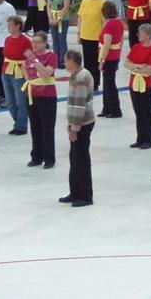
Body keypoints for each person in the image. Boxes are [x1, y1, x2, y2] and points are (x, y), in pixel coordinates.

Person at [61, 50, 96, 207]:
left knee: (81, 160)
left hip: (82, 124)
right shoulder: (77, 75)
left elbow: (79, 105)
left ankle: (85, 195)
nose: (64, 64)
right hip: (77, 123)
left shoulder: (80, 78)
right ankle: (75, 192)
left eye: (66, 61)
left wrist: (74, 128)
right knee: (74, 159)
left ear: (72, 61)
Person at [23, 32, 59, 169]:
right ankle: (36, 156)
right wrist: (29, 80)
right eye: (33, 42)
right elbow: (24, 67)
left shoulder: (51, 56)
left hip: (47, 96)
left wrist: (35, 60)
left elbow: (45, 73)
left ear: (45, 43)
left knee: (47, 128)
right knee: (35, 127)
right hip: (33, 95)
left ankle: (49, 158)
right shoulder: (30, 56)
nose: (35, 45)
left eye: (38, 42)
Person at [124, 23, 151, 149]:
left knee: (147, 112)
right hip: (134, 83)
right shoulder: (136, 47)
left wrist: (134, 67)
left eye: (141, 33)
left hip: (147, 84)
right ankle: (140, 138)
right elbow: (126, 63)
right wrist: (139, 67)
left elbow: (150, 69)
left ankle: (148, 139)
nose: (138, 35)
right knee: (138, 111)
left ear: (148, 35)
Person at [0, 15, 31, 135]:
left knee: (20, 100)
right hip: (6, 70)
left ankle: (21, 126)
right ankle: (18, 122)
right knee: (9, 101)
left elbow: (29, 57)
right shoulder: (7, 39)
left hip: (19, 72)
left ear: (18, 26)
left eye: (11, 25)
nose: (8, 27)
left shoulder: (25, 41)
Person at [76, 0, 105, 94]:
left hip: (96, 37)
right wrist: (78, 33)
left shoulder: (101, 3)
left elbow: (104, 21)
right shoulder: (85, 1)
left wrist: (104, 37)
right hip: (85, 35)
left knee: (95, 62)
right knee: (87, 62)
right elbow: (80, 17)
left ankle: (95, 83)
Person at [97, 2, 125, 117]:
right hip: (115, 56)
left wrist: (102, 60)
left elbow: (107, 45)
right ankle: (107, 108)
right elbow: (121, 41)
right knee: (108, 83)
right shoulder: (119, 23)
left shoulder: (109, 25)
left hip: (108, 57)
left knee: (109, 84)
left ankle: (114, 109)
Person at [48, 0, 71, 68]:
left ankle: (63, 61)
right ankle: (55, 60)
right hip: (53, 18)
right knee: (55, 39)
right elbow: (48, 6)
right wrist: (50, 18)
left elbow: (66, 7)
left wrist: (58, 19)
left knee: (62, 40)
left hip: (63, 19)